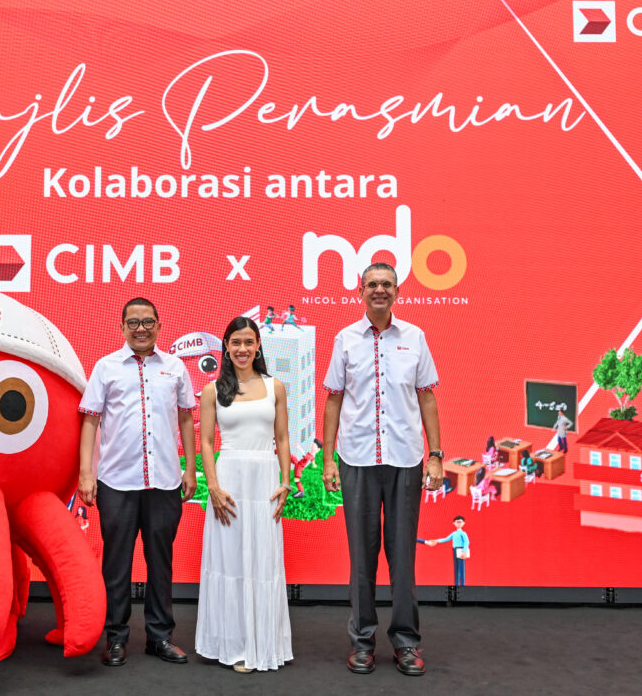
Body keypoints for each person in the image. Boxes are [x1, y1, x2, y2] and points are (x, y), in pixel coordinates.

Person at [321, 262, 443, 677]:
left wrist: (436, 453)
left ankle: (406, 642)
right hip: (356, 458)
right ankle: (362, 641)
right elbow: (334, 399)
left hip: (405, 458)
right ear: (360, 291)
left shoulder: (415, 337)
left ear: (397, 292)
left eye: (386, 284)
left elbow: (427, 397)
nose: (379, 290)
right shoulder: (345, 339)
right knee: (362, 556)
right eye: (372, 284)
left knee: (402, 554)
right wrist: (327, 459)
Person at [77, 298, 197, 667]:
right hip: (117, 481)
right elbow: (90, 420)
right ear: (122, 327)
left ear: (159, 326)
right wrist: (86, 473)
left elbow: (186, 418)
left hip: (164, 481)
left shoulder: (175, 367)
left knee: (161, 562)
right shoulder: (106, 367)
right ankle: (115, 637)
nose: (140, 328)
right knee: (116, 564)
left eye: (147, 322)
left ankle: (160, 637)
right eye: (133, 322)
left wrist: (190, 469)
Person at [195, 317, 293, 673]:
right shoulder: (212, 390)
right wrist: (213, 487)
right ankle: (233, 645)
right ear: (226, 346)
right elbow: (207, 442)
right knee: (230, 561)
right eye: (235, 342)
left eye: (248, 342)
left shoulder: (275, 387)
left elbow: (282, 438)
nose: (242, 349)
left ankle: (262, 644)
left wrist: (286, 481)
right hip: (229, 482)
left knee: (262, 562)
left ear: (258, 346)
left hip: (265, 481)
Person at [426, 516, 469, 587]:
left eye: (460, 522)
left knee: (461, 568)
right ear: (454, 523)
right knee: (456, 567)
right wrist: (437, 541)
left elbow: (466, 542)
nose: (458, 523)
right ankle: (456, 584)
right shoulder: (454, 533)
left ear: (463, 523)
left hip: (461, 550)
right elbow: (446, 539)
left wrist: (464, 551)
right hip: (455, 550)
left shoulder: (463, 533)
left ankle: (463, 585)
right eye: (457, 522)